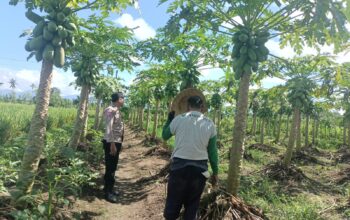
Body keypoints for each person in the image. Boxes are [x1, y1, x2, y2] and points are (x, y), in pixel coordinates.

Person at [162, 95, 219, 220]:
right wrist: (215, 172)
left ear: (188, 106)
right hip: (200, 171)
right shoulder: (210, 124)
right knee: (193, 204)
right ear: (202, 107)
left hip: (179, 168)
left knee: (173, 201)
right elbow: (213, 152)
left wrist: (169, 120)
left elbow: (165, 136)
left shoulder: (178, 119)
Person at [102, 92, 125, 203]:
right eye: (122, 98)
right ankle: (107, 193)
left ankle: (109, 188)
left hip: (116, 141)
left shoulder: (116, 110)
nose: (124, 100)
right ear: (118, 99)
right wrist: (112, 144)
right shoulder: (110, 110)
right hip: (111, 142)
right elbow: (109, 128)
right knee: (110, 167)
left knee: (113, 166)